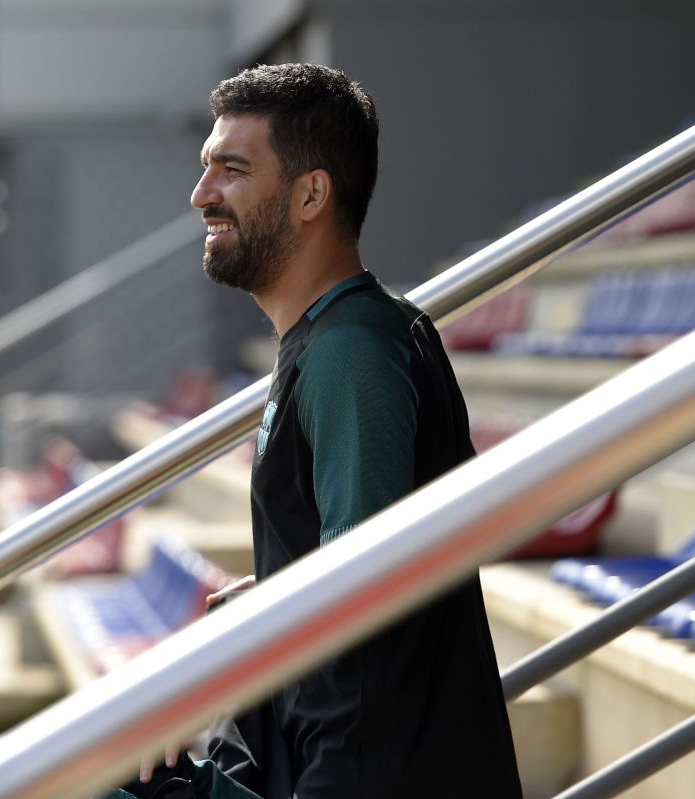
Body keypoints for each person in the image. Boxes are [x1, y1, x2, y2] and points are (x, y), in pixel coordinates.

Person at [114, 62, 521, 799]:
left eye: (231, 170)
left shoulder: (351, 353)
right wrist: (248, 611)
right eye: (207, 168)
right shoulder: (337, 338)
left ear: (310, 193)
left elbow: (364, 604)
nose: (202, 194)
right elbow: (342, 565)